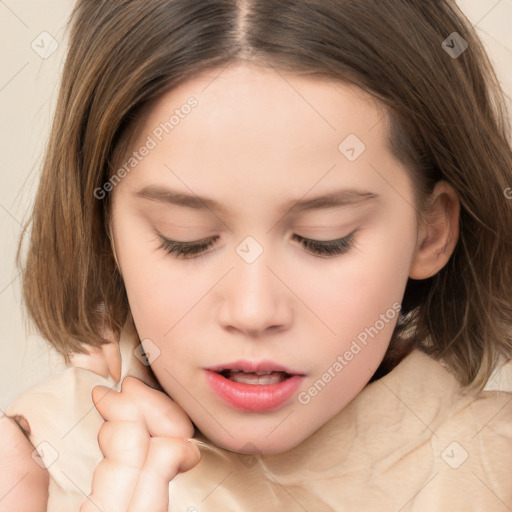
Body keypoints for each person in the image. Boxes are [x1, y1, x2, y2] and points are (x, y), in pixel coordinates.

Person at [2, 0, 512, 510]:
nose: (252, 311)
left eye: (324, 238)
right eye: (186, 238)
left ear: (431, 231)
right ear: (104, 227)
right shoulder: (32, 470)